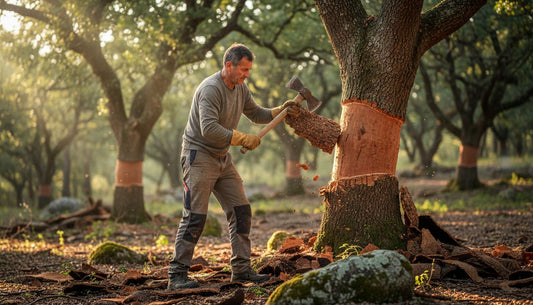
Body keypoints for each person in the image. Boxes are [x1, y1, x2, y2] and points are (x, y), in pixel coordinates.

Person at [168, 43, 300, 290]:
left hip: (222, 158)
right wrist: (242, 138)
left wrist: (279, 110)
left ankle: (241, 270)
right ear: (228, 65)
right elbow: (209, 128)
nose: (246, 74)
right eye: (243, 69)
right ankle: (176, 276)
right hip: (199, 156)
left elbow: (255, 113)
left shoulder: (240, 88)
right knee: (195, 217)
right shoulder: (210, 89)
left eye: (249, 70)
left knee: (241, 212)